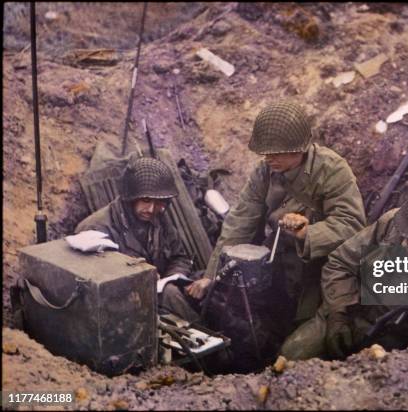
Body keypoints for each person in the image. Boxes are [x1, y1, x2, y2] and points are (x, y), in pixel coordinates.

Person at [188, 100, 367, 334]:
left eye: (276, 152)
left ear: (299, 148)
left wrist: (308, 233)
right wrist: (211, 276)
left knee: (306, 335)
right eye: (265, 152)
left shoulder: (332, 170)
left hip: (320, 268)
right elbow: (239, 224)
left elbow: (352, 225)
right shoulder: (265, 172)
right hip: (276, 261)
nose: (268, 158)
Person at [280, 183, 408, 360]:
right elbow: (340, 262)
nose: (405, 242)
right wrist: (338, 315)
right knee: (291, 354)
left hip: (403, 344)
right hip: (351, 311)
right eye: (405, 235)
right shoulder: (395, 222)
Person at [75, 156, 199, 323]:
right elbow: (92, 284)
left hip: (155, 296)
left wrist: (171, 278)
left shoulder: (158, 219)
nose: (151, 209)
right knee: (171, 296)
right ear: (131, 198)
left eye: (159, 203)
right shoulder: (95, 228)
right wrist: (140, 279)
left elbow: (180, 257)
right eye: (146, 200)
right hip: (118, 308)